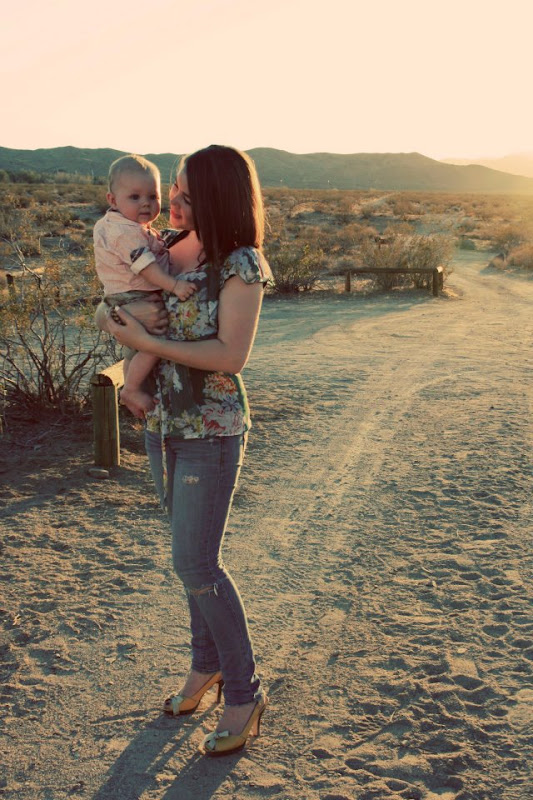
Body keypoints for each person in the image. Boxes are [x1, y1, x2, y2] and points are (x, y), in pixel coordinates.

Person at [99, 145, 273, 757]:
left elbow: (230, 356)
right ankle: (205, 667)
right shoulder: (167, 247)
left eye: (186, 195)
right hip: (162, 423)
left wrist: (147, 344)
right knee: (188, 564)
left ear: (218, 199)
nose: (170, 202)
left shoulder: (241, 263)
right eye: (171, 189)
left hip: (211, 429)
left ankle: (245, 694)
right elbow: (121, 300)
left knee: (197, 564)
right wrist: (116, 329)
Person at [93, 154, 196, 417]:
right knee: (152, 342)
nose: (146, 204)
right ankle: (131, 389)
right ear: (112, 200)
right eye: (135, 197)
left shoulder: (136, 229)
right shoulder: (125, 232)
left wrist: (112, 314)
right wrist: (174, 286)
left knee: (137, 349)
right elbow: (145, 267)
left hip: (128, 300)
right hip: (133, 298)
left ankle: (132, 389)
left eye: (153, 196)